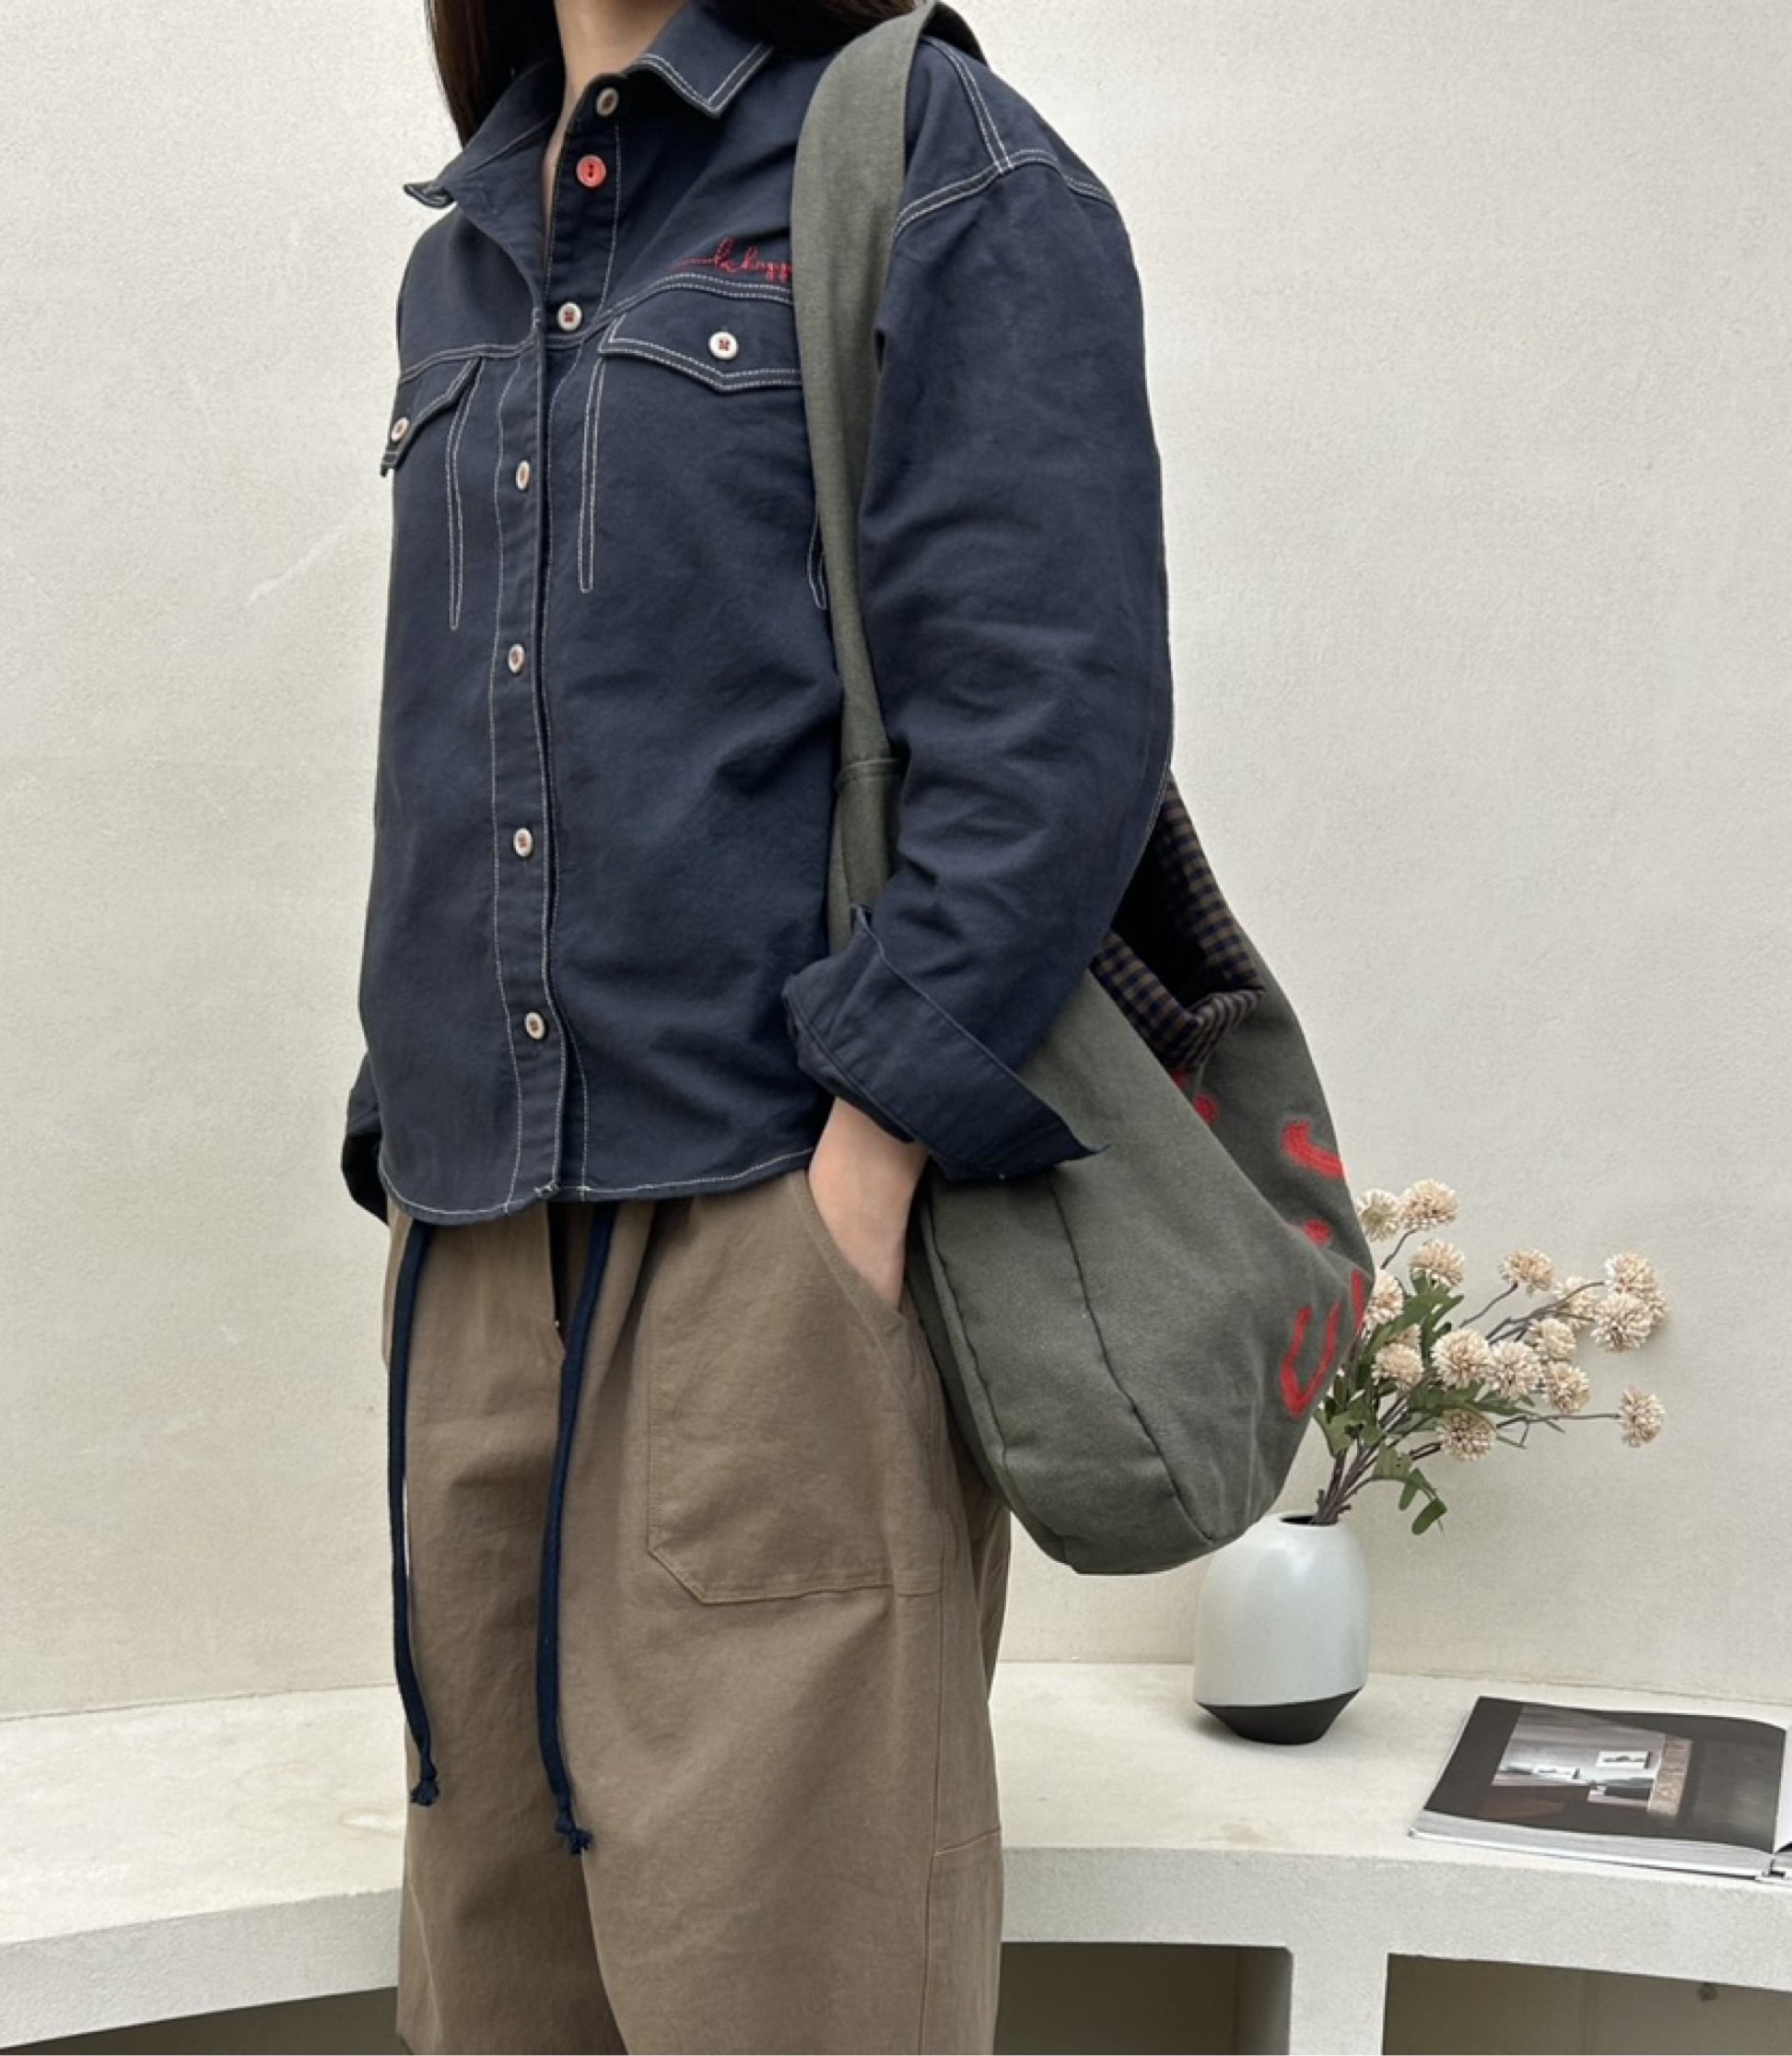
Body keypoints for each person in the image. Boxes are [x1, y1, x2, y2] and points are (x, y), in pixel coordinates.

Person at [341, 0, 1175, 2046]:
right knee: (495, 1988)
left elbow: (1053, 721)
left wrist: (866, 1162)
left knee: (795, 1991)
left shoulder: (934, 156)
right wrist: (401, 1121)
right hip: (475, 1234)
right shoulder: (470, 238)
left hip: (760, 1229)